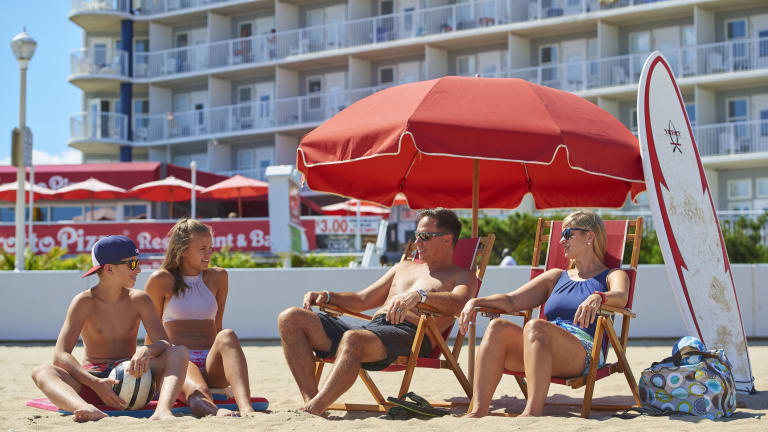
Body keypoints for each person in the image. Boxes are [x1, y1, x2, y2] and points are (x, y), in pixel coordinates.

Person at [278, 208, 477, 416]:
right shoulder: (403, 267)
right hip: (372, 330)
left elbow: (460, 303)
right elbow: (362, 300)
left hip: (410, 336)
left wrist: (420, 296)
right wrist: (327, 296)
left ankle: (314, 408)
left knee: (354, 338)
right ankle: (311, 401)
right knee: (291, 318)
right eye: (417, 235)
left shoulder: (463, 275)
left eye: (425, 236)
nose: (417, 242)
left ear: (447, 239)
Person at [459, 210, 629, 417]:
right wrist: (475, 301)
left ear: (589, 236)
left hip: (583, 353)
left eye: (567, 234)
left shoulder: (612, 275)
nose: (561, 240)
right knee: (497, 327)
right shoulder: (556, 277)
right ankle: (478, 411)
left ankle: (532, 412)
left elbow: (621, 296)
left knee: (535, 326)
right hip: (540, 348)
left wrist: (600, 297)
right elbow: (512, 300)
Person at [30, 236, 189, 422]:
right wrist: (95, 383)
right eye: (132, 264)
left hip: (132, 377)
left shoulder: (139, 299)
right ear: (109, 269)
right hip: (93, 381)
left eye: (138, 263)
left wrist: (147, 350)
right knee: (42, 371)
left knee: (179, 352)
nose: (138, 269)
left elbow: (164, 343)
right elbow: (60, 354)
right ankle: (85, 408)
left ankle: (162, 411)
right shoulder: (83, 302)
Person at [145, 219, 254, 417]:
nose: (209, 253)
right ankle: (216, 413)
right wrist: (150, 370)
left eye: (210, 248)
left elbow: (218, 326)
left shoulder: (219, 277)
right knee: (199, 392)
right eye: (203, 249)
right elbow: (152, 332)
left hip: (211, 361)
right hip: (180, 361)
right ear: (182, 250)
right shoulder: (161, 280)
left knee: (227, 335)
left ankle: (247, 409)